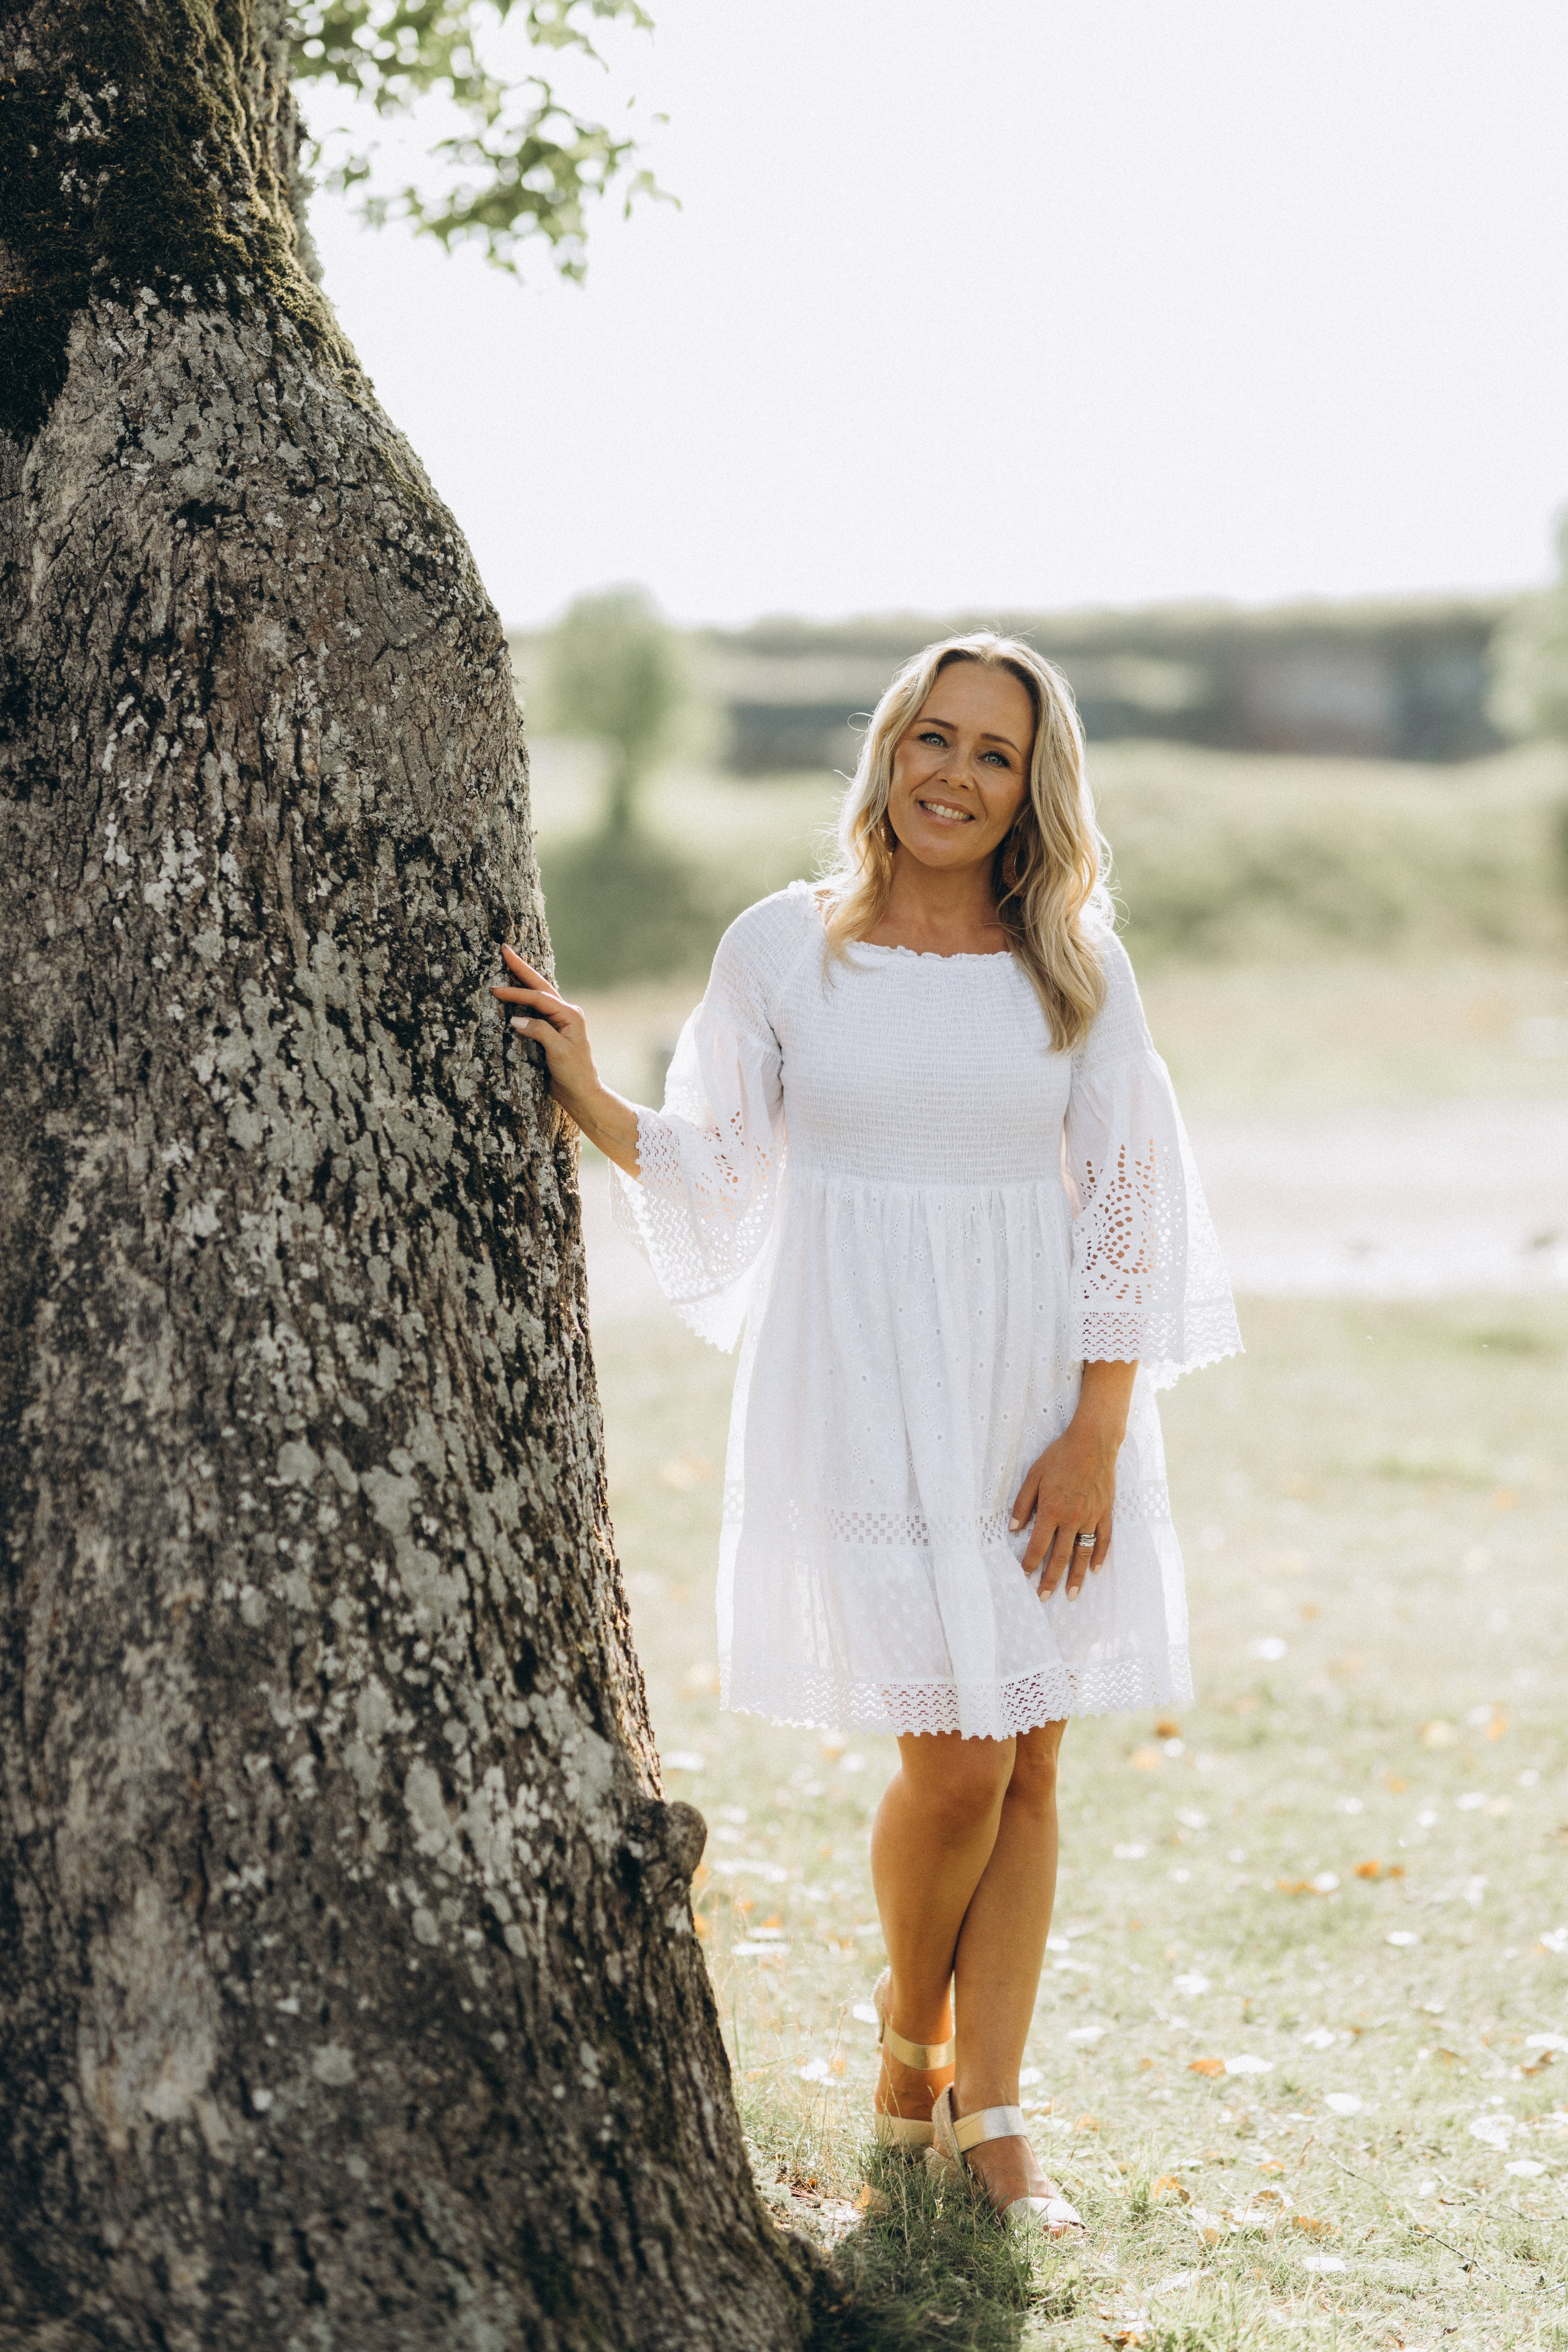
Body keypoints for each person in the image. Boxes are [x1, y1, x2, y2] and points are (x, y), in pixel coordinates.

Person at [493, 634, 1240, 2230]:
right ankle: (912, 2051)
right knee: (957, 1768)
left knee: (1033, 1765)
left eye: (993, 755)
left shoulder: (1078, 961)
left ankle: (994, 2113)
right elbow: (719, 1158)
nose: (955, 776)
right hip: (862, 1391)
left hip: (1039, 1399)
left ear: (1034, 790)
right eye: (935, 737)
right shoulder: (782, 947)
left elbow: (1128, 1201)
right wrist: (589, 1096)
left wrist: (1099, 1431)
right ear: (889, 747)